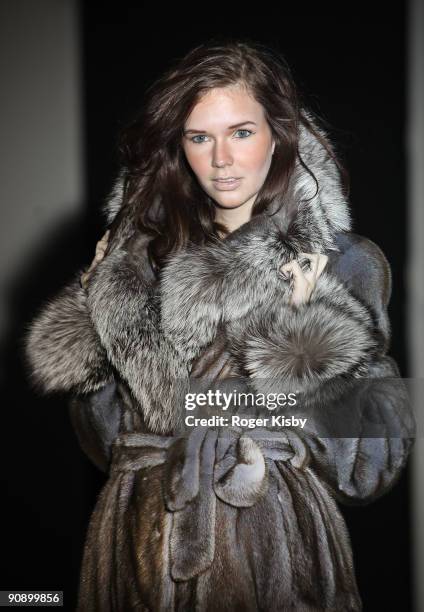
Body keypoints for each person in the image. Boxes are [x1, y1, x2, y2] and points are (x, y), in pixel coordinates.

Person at [24, 39, 414, 611]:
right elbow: (109, 446)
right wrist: (99, 304)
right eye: (199, 137)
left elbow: (371, 462)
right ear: (178, 146)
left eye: (241, 132)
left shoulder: (344, 261)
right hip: (135, 546)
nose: (221, 159)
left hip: (275, 549)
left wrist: (304, 332)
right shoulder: (133, 269)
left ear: (279, 134)